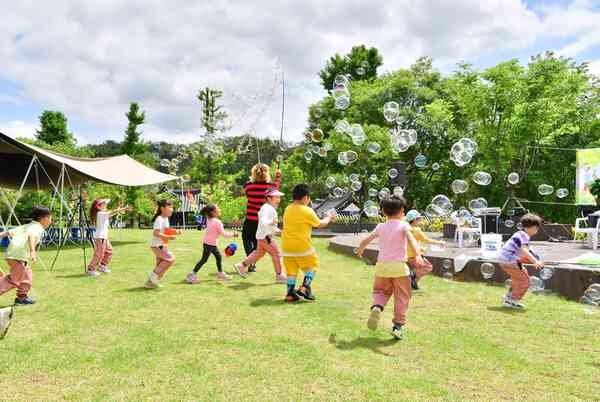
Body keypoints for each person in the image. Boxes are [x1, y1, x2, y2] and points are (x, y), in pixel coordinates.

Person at [355, 196, 423, 340]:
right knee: (402, 296)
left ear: (383, 212)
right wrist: (418, 255)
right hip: (399, 267)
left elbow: (366, 239)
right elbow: (412, 240)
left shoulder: (381, 226)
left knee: (380, 291)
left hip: (382, 266)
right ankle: (398, 327)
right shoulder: (404, 225)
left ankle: (377, 307)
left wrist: (360, 249)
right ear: (402, 211)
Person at [281, 184, 336, 302]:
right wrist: (329, 217)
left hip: (286, 247)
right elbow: (320, 224)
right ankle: (305, 287)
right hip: (302, 246)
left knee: (291, 271)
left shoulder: (288, 209)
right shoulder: (307, 210)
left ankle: (290, 293)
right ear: (305, 197)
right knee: (312, 265)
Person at [0, 205, 52, 305]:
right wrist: (32, 251)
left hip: (12, 254)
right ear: (44, 218)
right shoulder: (37, 227)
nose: (50, 221)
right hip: (19, 255)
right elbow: (31, 236)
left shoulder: (26, 226)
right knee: (14, 280)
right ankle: (21, 297)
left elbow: (7, 233)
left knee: (27, 274)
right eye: (50, 218)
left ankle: (22, 297)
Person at [234, 188, 286, 283]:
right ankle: (279, 276)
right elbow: (264, 221)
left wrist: (278, 230)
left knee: (259, 253)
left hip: (262, 236)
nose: (279, 199)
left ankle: (241, 266)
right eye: (276, 197)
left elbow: (267, 223)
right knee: (276, 254)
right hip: (266, 237)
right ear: (269, 198)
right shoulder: (267, 208)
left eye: (279, 197)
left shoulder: (267, 208)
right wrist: (271, 223)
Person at [497, 213, 544, 309]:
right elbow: (524, 250)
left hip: (503, 260)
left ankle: (509, 297)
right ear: (531, 227)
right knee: (525, 281)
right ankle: (513, 300)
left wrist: (536, 259)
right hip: (511, 260)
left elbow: (525, 252)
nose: (536, 231)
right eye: (536, 228)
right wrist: (535, 261)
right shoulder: (524, 236)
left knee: (517, 279)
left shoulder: (518, 234)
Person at [241, 163, 282, 272]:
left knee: (246, 239)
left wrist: (253, 180)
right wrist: (278, 176)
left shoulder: (248, 186)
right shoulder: (271, 187)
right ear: (266, 173)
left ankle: (249, 262)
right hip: (262, 222)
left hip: (250, 219)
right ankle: (251, 262)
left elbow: (245, 188)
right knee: (257, 243)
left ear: (253, 173)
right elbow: (277, 185)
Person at [186, 204, 238, 284]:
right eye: (218, 208)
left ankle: (220, 273)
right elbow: (223, 234)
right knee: (204, 260)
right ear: (213, 212)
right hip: (210, 244)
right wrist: (233, 234)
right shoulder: (217, 222)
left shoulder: (209, 219)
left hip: (210, 243)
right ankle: (192, 274)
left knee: (218, 257)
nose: (219, 209)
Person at [86, 199, 131, 277]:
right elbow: (112, 212)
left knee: (109, 251)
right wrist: (124, 209)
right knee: (99, 254)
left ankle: (102, 265)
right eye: (104, 204)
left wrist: (120, 209)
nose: (106, 205)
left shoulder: (102, 214)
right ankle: (91, 269)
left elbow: (112, 213)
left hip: (103, 237)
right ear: (99, 207)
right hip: (100, 237)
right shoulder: (100, 213)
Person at [405, 209, 446, 290]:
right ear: (414, 220)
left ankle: (413, 284)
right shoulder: (417, 230)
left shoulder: (406, 229)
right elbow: (426, 240)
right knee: (427, 267)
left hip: (408, 256)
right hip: (415, 256)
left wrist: (421, 248)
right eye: (419, 219)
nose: (420, 220)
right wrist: (439, 242)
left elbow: (409, 243)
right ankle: (412, 276)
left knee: (419, 269)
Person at [145, 199, 179, 289]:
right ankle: (152, 277)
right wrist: (168, 237)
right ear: (162, 208)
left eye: (172, 207)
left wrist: (175, 231)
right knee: (170, 259)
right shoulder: (159, 219)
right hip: (158, 245)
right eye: (170, 207)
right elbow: (156, 233)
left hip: (162, 244)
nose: (172, 209)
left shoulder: (165, 218)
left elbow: (166, 230)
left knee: (160, 264)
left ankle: (152, 283)